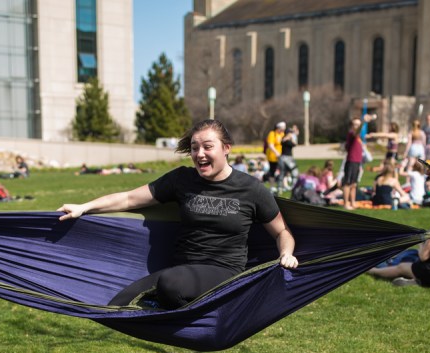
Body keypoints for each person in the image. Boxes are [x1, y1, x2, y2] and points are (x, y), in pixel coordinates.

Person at [58, 119, 298, 309]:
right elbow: (130, 198)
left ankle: (208, 310)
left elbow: (282, 232)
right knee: (118, 301)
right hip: (181, 270)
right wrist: (84, 207)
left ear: (226, 149)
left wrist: (286, 254)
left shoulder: (251, 189)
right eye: (194, 148)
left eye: (207, 146)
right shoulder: (181, 180)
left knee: (170, 286)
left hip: (223, 271)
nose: (200, 154)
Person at [341, 117, 365, 210]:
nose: (357, 126)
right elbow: (356, 131)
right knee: (347, 183)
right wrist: (363, 122)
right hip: (351, 161)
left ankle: (353, 202)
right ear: (352, 126)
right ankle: (346, 203)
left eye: (358, 124)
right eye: (355, 124)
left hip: (357, 162)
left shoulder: (358, 136)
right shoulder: (352, 133)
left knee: (354, 184)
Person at [263, 121, 286, 188]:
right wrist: (276, 153)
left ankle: (283, 185)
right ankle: (272, 186)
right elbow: (270, 145)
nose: (284, 129)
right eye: (283, 128)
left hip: (281, 156)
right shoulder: (272, 134)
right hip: (273, 156)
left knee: (283, 170)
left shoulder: (282, 134)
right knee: (272, 170)